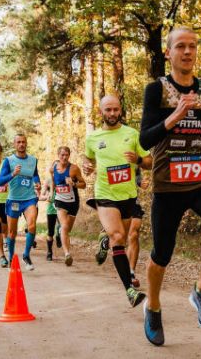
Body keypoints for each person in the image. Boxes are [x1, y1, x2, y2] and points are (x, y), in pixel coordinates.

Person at [139, 27, 201, 346]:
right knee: (161, 255)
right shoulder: (156, 90)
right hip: (168, 181)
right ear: (169, 53)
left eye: (193, 46)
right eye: (181, 46)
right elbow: (145, 139)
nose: (188, 52)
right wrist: (175, 115)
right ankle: (152, 307)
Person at [83, 95, 153, 308]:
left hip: (128, 195)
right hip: (105, 193)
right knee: (119, 236)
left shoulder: (132, 134)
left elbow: (149, 162)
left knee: (119, 240)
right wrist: (87, 167)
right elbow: (88, 159)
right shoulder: (93, 138)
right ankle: (130, 290)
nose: (112, 114)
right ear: (101, 111)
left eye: (115, 110)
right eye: (108, 110)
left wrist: (139, 160)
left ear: (120, 110)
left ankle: (104, 234)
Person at [0, 134, 41, 271]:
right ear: (14, 144)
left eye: (23, 142)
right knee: (11, 232)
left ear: (26, 143)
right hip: (14, 200)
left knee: (32, 225)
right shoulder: (9, 161)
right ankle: (11, 258)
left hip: (29, 198)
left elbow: (34, 174)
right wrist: (13, 174)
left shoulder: (33, 160)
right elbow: (0, 181)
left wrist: (37, 182)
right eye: (19, 142)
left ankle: (26, 255)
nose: (21, 144)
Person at [47, 146, 85, 266]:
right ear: (58, 155)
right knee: (64, 226)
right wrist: (51, 192)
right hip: (60, 200)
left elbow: (83, 184)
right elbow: (53, 181)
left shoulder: (74, 169)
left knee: (67, 229)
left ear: (69, 155)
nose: (64, 157)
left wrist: (73, 183)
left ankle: (59, 233)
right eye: (62, 155)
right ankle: (67, 254)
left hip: (73, 202)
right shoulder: (53, 168)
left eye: (66, 155)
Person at [128, 168, 150, 288]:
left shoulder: (133, 157)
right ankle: (105, 235)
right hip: (114, 201)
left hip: (132, 202)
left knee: (134, 234)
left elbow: (137, 177)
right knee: (118, 237)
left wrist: (141, 182)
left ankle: (131, 273)